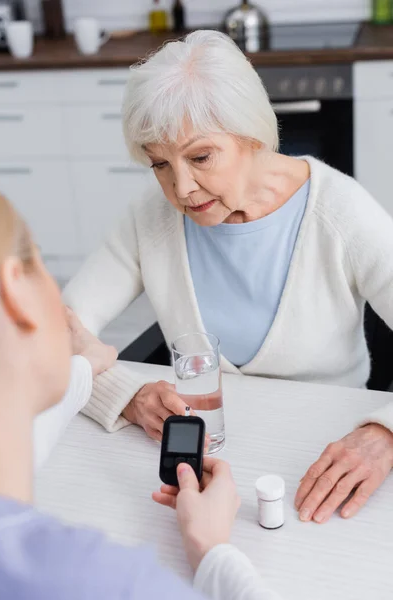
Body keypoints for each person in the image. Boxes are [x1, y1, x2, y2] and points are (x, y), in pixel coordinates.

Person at [62, 30, 393, 526]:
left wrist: (385, 432)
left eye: (200, 157)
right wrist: (126, 395)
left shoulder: (341, 214)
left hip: (323, 460)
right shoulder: (150, 218)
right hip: (208, 467)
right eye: (160, 164)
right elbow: (54, 328)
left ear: (251, 133)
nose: (181, 188)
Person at [0, 189, 281, 600]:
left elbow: (26, 424)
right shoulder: (101, 581)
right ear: (15, 289)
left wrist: (87, 365)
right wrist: (211, 547)